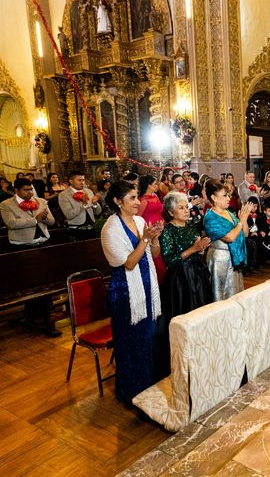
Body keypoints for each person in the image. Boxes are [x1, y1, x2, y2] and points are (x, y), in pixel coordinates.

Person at [100, 180, 163, 405]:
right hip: (125, 292)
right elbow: (128, 263)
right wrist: (145, 239)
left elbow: (154, 254)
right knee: (131, 341)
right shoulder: (111, 229)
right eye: (132, 198)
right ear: (118, 202)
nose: (138, 202)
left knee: (149, 337)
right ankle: (132, 391)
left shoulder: (139, 220)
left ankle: (149, 384)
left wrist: (154, 238)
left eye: (137, 196)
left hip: (147, 284)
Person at [158, 191, 212, 374]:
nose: (186, 210)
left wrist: (201, 249)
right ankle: (184, 358)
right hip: (180, 280)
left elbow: (197, 251)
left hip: (197, 274)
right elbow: (169, 260)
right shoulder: (167, 231)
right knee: (185, 316)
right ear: (171, 212)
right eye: (180, 208)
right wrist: (193, 249)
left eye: (186, 206)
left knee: (202, 312)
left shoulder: (191, 227)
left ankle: (202, 351)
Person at [203, 179, 251, 301]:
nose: (228, 198)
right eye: (224, 195)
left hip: (234, 258)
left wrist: (243, 220)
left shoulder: (228, 213)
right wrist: (241, 222)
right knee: (220, 294)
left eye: (228, 195)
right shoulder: (210, 217)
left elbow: (244, 234)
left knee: (235, 293)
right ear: (214, 198)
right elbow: (230, 237)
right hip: (220, 259)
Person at [0, 177, 55, 249]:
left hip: (44, 240)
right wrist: (35, 220)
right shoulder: (6, 204)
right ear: (16, 190)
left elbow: (52, 222)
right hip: (22, 244)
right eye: (26, 190)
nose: (30, 192)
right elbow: (11, 223)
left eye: (31, 189)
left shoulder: (41, 201)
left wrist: (44, 218)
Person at [59, 170, 101, 240]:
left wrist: (95, 204)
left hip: (91, 228)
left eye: (83, 180)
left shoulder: (88, 191)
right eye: (79, 180)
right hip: (76, 230)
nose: (82, 183)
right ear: (71, 181)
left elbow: (98, 212)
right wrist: (83, 205)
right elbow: (69, 215)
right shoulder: (63, 195)